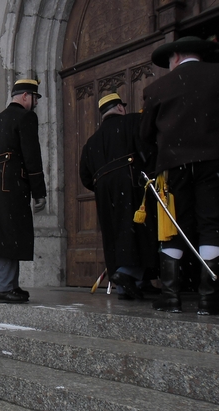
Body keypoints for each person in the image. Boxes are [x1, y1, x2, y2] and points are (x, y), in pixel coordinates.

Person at [140, 36, 219, 314]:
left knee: (172, 227)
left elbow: (145, 136)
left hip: (174, 167)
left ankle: (171, 296)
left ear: (175, 58)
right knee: (211, 224)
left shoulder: (157, 88)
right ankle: (209, 297)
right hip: (213, 162)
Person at [79, 93, 158, 299]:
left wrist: (104, 184)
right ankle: (128, 274)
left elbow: (85, 176)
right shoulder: (133, 121)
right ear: (120, 108)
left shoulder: (91, 142)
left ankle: (133, 284)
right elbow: (148, 149)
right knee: (138, 232)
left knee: (116, 235)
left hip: (105, 193)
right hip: (132, 184)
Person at [0, 78, 47, 304]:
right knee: (11, 233)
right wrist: (39, 191)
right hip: (14, 184)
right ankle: (0, 287)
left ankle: (10, 285)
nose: (35, 103)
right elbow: (32, 155)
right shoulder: (26, 117)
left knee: (4, 232)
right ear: (25, 96)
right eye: (34, 98)